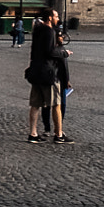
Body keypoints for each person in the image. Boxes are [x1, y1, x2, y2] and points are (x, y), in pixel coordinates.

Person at [26, 9, 64, 143]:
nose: (57, 18)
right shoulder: (49, 31)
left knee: (35, 104)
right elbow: (50, 52)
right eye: (56, 16)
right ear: (49, 18)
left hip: (36, 71)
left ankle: (33, 133)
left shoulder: (38, 31)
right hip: (47, 72)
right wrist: (64, 53)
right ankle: (58, 134)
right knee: (56, 104)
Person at [40, 11, 73, 141]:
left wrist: (67, 79)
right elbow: (51, 56)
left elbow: (64, 66)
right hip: (52, 76)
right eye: (56, 16)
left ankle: (58, 128)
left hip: (60, 77)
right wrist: (64, 53)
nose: (62, 38)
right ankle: (51, 130)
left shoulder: (59, 46)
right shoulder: (51, 39)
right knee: (49, 104)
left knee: (61, 105)